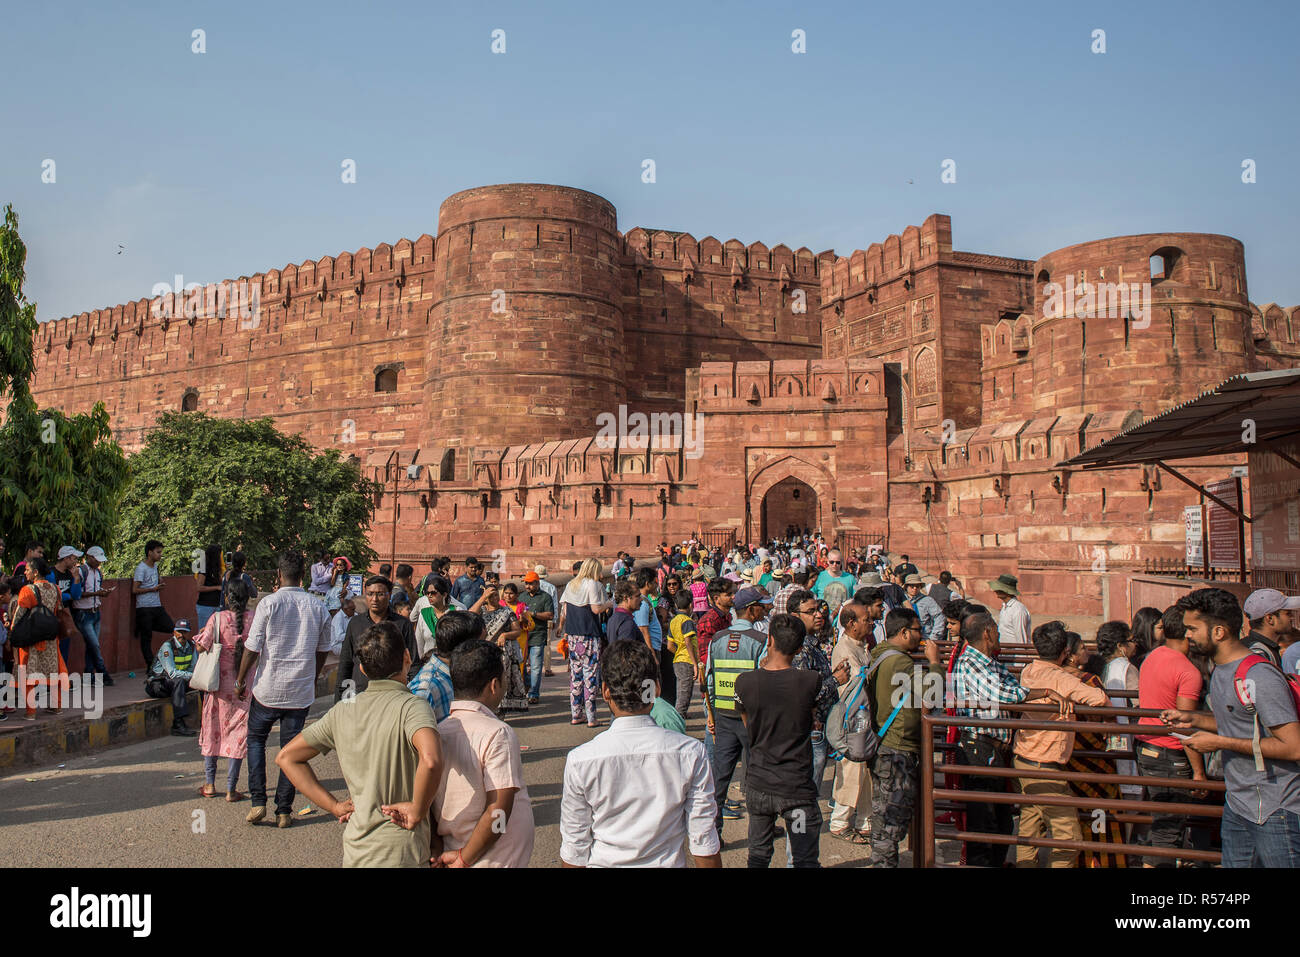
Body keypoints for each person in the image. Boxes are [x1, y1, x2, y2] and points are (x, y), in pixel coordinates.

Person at [277, 622, 444, 867]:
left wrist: (333, 806)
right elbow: (431, 761)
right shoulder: (413, 707)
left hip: (358, 850)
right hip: (402, 848)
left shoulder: (344, 710)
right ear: (407, 657)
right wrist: (418, 809)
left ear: (363, 669)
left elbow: (286, 757)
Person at [1164, 587, 1300, 867]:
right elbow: (1243, 725)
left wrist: (1220, 743)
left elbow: (1293, 747)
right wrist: (1194, 719)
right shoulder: (1222, 670)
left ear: (1218, 632)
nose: (1186, 634)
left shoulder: (1258, 675)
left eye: (1192, 628)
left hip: (1276, 808)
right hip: (1240, 804)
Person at [559, 640, 720, 868]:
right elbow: (703, 840)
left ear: (605, 691)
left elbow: (575, 848)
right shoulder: (691, 753)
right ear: (656, 689)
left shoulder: (581, 760)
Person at [950, 610, 1067, 866]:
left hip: (991, 748)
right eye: (996, 629)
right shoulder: (970, 662)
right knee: (985, 821)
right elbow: (1004, 694)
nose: (999, 633)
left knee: (1000, 820)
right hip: (978, 747)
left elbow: (1012, 688)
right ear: (988, 632)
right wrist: (1045, 692)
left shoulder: (988, 661)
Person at [235, 550, 333, 828]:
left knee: (256, 741)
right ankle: (283, 811)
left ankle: (257, 802)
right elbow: (323, 649)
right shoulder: (317, 606)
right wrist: (312, 676)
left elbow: (252, 648)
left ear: (279, 575)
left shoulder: (269, 604)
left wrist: (241, 680)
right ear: (303, 576)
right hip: (299, 691)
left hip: (268, 689)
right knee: (290, 751)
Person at [428, 639, 535, 867]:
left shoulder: (439, 731)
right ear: (494, 685)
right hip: (492, 857)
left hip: (455, 848)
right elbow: (498, 810)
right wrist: (465, 858)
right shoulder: (498, 733)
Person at [1013, 621, 1109, 867]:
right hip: (1046, 765)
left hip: (1024, 758)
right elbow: (1099, 699)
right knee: (1070, 838)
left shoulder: (1029, 670)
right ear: (1065, 652)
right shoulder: (1059, 678)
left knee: (1030, 828)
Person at [734, 613, 824, 867]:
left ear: (770, 640)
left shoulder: (745, 683)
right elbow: (814, 712)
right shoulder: (809, 681)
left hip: (760, 785)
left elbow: (746, 720)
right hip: (795, 790)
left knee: (759, 855)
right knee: (804, 857)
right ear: (798, 648)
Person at [866, 607, 942, 867]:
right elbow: (933, 695)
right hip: (897, 748)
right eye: (918, 630)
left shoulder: (881, 654)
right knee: (892, 821)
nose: (921, 637)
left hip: (885, 744)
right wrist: (934, 661)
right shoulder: (899, 661)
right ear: (904, 632)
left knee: (883, 813)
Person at [1134, 605, 1207, 866]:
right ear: (1188, 632)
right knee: (1169, 831)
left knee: (1161, 825)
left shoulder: (1152, 656)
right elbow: (1184, 725)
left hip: (1146, 747)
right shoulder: (1188, 672)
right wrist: (1199, 773)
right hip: (1170, 754)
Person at [706, 586, 771, 840]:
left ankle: (714, 834)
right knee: (756, 778)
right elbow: (763, 683)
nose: (764, 609)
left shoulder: (718, 639)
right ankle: (759, 834)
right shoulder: (760, 641)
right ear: (752, 608)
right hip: (751, 719)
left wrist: (711, 714)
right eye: (761, 605)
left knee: (720, 778)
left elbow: (709, 681)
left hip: (723, 715)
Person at [194, 581, 253, 800]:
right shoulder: (254, 618)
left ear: (227, 598)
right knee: (238, 735)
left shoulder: (216, 619)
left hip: (217, 687)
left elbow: (201, 647)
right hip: (243, 686)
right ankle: (231, 788)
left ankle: (209, 784)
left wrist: (201, 634)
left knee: (212, 732)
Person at [829, 599, 877, 841]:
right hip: (851, 721)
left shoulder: (862, 645)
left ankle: (865, 821)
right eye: (866, 619)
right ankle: (839, 821)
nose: (871, 622)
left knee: (865, 774)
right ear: (851, 624)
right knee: (851, 772)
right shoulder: (845, 649)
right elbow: (857, 686)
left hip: (864, 720)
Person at [337, 575, 419, 702]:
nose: (374, 599)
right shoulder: (355, 623)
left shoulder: (402, 625)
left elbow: (413, 663)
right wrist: (342, 700)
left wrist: (414, 696)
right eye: (370, 594)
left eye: (380, 594)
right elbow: (346, 663)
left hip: (393, 697)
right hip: (360, 695)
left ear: (389, 594)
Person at [9, 557, 69, 720]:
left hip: (32, 638)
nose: (25, 572)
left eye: (28, 569)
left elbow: (19, 616)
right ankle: (56, 707)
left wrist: (13, 635)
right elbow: (59, 610)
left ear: (35, 572)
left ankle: (31, 712)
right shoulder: (56, 589)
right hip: (51, 637)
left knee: (30, 672)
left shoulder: (28, 590)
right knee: (53, 671)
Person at [556, 559, 609, 727]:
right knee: (590, 677)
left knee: (576, 676)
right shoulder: (592, 584)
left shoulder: (571, 584)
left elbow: (564, 609)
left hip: (573, 636)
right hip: (589, 636)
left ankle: (576, 714)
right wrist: (610, 603)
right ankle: (592, 717)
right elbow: (595, 609)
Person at [409, 610, 483, 721]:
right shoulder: (425, 690)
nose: (484, 650)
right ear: (465, 648)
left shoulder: (462, 675)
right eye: (480, 644)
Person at [1098, 621, 1142, 802]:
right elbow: (1138, 704)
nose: (1135, 644)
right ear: (1120, 646)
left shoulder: (1103, 666)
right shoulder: (1127, 669)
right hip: (1126, 732)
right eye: (1131, 640)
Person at [146, 619, 199, 737]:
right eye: (179, 631)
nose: (181, 635)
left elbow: (193, 668)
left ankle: (207, 721)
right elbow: (172, 673)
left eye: (184, 632)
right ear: (174, 632)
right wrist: (194, 677)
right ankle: (178, 724)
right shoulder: (168, 646)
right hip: (157, 685)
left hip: (176, 683)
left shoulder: (191, 646)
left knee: (203, 685)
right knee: (179, 681)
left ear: (189, 633)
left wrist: (196, 678)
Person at [72, 546, 113, 686]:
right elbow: (77, 594)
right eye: (97, 560)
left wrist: (102, 592)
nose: (99, 563)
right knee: (94, 645)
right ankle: (103, 673)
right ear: (89, 557)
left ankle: (89, 675)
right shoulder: (81, 571)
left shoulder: (98, 573)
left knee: (92, 645)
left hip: (96, 611)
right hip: (83, 612)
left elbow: (94, 589)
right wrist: (97, 594)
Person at [134, 540, 174, 670]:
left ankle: (144, 626)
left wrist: (159, 582)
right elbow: (135, 590)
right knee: (147, 638)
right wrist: (153, 589)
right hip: (144, 607)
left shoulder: (155, 567)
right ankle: (150, 665)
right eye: (158, 552)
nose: (160, 555)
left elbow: (156, 580)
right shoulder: (141, 568)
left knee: (170, 626)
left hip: (156, 605)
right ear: (150, 553)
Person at [1243, 588, 1300, 669]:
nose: (1292, 617)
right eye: (1288, 613)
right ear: (1270, 619)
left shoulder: (1266, 648)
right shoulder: (1257, 653)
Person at [667, 589, 700, 719]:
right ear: (691, 605)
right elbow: (688, 642)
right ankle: (678, 719)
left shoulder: (674, 621)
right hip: (687, 660)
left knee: (681, 690)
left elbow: (670, 646)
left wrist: (679, 653)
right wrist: (695, 663)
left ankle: (681, 714)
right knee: (684, 693)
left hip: (678, 660)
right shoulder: (687, 621)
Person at [50, 546, 84, 666]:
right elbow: (52, 594)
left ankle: (61, 677)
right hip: (52, 615)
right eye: (74, 558)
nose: (76, 562)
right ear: (66, 559)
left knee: (64, 648)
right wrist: (66, 596)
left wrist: (76, 579)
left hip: (66, 615)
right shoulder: (51, 573)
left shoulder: (71, 574)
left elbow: (76, 595)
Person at [410, 574, 458, 659]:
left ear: (444, 594)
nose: (429, 596)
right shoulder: (424, 614)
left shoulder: (456, 612)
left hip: (451, 663)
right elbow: (419, 643)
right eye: (427, 593)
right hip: (428, 664)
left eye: (433, 593)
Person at [988, 573, 1030, 645]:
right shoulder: (1005, 607)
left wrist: (1021, 654)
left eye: (998, 588)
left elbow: (1021, 639)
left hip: (1014, 653)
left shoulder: (1018, 610)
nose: (995, 591)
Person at [533, 565, 559, 676]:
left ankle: (532, 667)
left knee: (533, 643)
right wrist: (554, 620)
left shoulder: (532, 586)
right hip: (548, 617)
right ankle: (547, 669)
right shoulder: (551, 587)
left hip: (534, 617)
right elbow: (555, 605)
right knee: (547, 644)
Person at [903, 574, 945, 642]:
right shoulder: (901, 600)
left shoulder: (928, 600)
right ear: (906, 587)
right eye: (912, 586)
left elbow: (939, 616)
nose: (915, 588)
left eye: (917, 586)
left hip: (924, 638)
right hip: (906, 639)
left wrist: (934, 636)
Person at [194, 543, 225, 630]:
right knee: (204, 632)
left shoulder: (218, 569)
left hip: (218, 604)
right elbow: (199, 587)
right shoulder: (204, 568)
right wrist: (216, 587)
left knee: (217, 634)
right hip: (206, 606)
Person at [607, 579, 643, 645]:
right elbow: (626, 653)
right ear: (625, 598)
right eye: (637, 596)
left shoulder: (613, 618)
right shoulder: (627, 622)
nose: (641, 599)